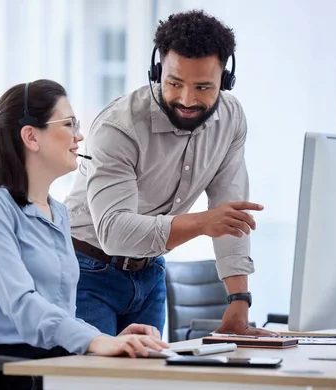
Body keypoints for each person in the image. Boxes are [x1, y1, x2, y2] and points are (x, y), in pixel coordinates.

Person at [64, 10, 276, 338]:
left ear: (226, 80)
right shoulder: (119, 127)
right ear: (158, 70)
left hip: (150, 274)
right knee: (95, 379)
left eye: (204, 87)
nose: (187, 99)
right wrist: (203, 222)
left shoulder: (231, 120)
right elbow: (114, 231)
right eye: (174, 83)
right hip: (87, 270)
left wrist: (238, 300)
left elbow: (231, 213)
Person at [0, 80, 168, 390]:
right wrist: (94, 340)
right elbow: (22, 304)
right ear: (31, 136)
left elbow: (60, 312)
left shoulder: (58, 213)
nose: (79, 136)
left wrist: (110, 340)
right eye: (68, 124)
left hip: (45, 361)